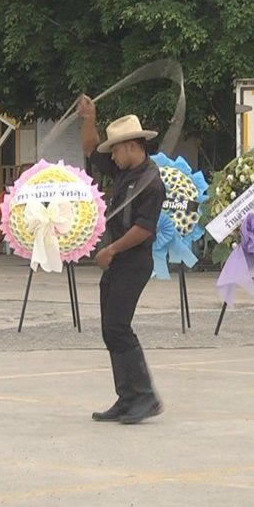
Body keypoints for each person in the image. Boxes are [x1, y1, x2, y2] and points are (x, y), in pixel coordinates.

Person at [78, 94, 166, 424]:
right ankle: (126, 397)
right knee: (110, 329)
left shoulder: (150, 182)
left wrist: (112, 249)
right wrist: (89, 118)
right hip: (117, 262)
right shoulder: (124, 171)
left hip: (133, 262)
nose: (111, 155)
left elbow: (144, 228)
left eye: (115, 149)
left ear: (131, 146)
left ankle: (145, 396)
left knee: (118, 326)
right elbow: (91, 148)